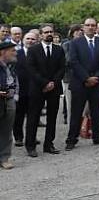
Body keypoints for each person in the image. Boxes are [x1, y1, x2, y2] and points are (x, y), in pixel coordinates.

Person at [65, 18, 99, 151]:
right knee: (76, 112)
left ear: (96, 27)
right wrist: (87, 78)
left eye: (93, 25)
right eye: (88, 25)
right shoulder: (75, 43)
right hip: (80, 83)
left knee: (97, 111)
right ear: (83, 27)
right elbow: (73, 62)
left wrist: (96, 77)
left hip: (97, 83)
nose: (91, 27)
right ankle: (71, 139)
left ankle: (98, 136)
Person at [25, 24, 66, 157]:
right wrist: (45, 83)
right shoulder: (33, 50)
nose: (49, 33)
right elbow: (31, 69)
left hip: (54, 88)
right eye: (46, 32)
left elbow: (62, 68)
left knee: (52, 117)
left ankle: (49, 144)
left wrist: (53, 82)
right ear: (41, 35)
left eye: (51, 32)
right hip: (38, 88)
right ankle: (30, 146)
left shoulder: (59, 50)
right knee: (33, 117)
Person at [13, 33, 36, 147]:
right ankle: (18, 137)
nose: (30, 41)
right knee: (19, 115)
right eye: (28, 38)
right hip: (21, 90)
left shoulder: (39, 54)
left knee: (33, 116)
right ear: (23, 40)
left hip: (35, 90)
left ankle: (31, 137)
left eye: (33, 39)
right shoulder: (16, 54)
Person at [0, 41, 19, 169]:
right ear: (3, 52)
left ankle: (4, 158)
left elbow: (16, 81)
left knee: (7, 131)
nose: (15, 53)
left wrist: (15, 96)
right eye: (12, 50)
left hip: (10, 100)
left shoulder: (11, 66)